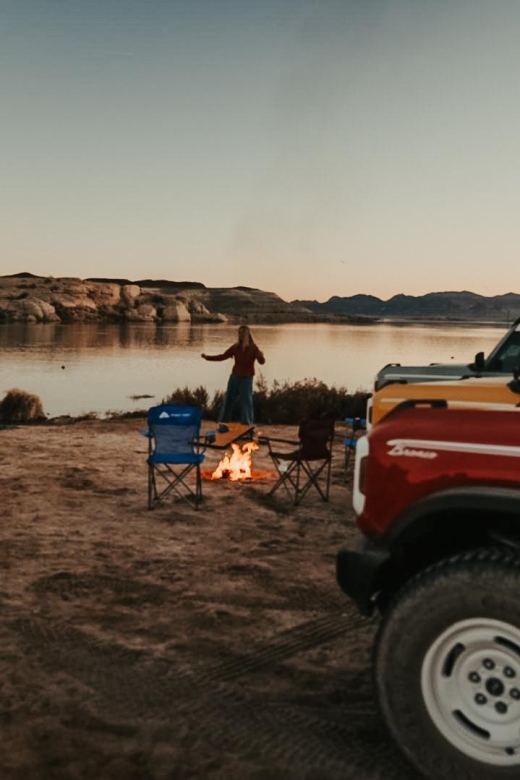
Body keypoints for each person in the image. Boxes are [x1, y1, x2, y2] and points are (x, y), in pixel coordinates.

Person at [201, 325, 265, 425]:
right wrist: (208, 357)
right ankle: (223, 422)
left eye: (243, 333)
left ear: (248, 334)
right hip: (234, 377)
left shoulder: (253, 348)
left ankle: (247, 424)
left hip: (246, 378)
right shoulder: (235, 347)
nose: (241, 335)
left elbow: (261, 362)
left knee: (246, 402)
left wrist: (261, 356)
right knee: (228, 400)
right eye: (239, 333)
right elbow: (223, 356)